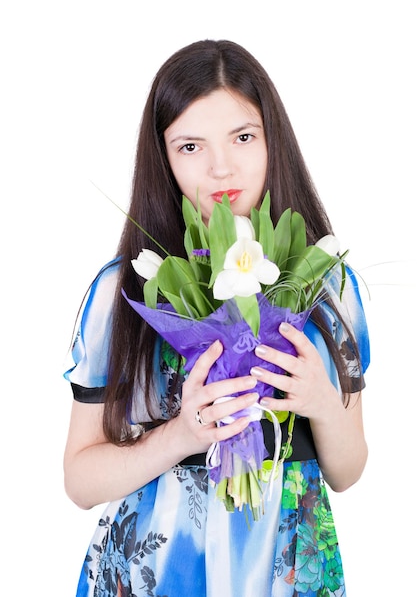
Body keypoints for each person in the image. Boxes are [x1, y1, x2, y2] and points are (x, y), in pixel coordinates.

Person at [63, 39, 370, 597]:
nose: (221, 166)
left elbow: (347, 472)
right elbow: (79, 481)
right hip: (157, 571)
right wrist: (181, 434)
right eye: (189, 146)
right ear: (163, 157)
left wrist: (320, 402)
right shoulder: (123, 289)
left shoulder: (326, 285)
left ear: (274, 139)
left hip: (287, 570)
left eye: (244, 137)